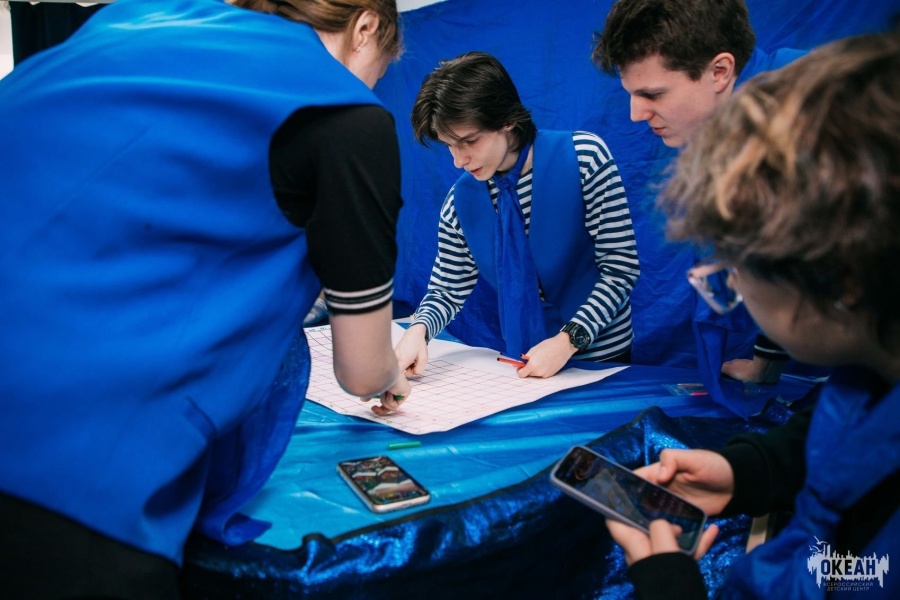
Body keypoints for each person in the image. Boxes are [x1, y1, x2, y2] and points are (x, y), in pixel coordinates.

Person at [0, 0, 408, 595]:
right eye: (379, 71)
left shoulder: (131, 20)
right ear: (365, 26)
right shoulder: (345, 115)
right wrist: (389, 371)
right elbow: (362, 370)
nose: (371, 88)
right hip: (70, 469)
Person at [604, 32, 900, 598]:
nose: (731, 283)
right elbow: (849, 438)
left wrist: (669, 585)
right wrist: (745, 472)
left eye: (737, 265)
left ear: (843, 281)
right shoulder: (874, 372)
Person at [386, 51, 638, 410]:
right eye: (449, 146)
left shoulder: (585, 158)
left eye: (469, 141)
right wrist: (418, 330)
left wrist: (568, 341)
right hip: (521, 364)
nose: (459, 160)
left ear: (507, 120)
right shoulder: (460, 202)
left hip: (601, 358)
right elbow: (447, 290)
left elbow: (620, 269)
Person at [593, 0, 806, 388]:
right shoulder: (733, 120)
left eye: (653, 94)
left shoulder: (820, 115)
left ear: (719, 71)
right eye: (632, 94)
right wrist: (768, 363)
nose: (636, 114)